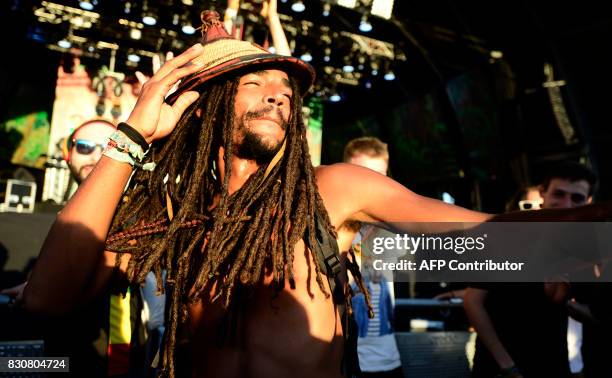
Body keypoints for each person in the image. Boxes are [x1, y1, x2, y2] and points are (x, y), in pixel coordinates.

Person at [21, 11, 612, 378]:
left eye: (285, 89)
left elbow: (481, 237)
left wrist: (595, 226)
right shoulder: (172, 213)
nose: (276, 95)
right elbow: (47, 300)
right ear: (201, 111)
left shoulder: (334, 190)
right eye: (253, 83)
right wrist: (131, 137)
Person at [464, 162, 597, 378]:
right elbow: (473, 300)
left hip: (551, 367)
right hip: (500, 369)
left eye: (577, 198)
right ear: (542, 193)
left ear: (589, 202)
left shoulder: (588, 248)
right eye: (559, 194)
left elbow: (595, 314)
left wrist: (564, 302)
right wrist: (507, 366)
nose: (566, 204)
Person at [338, 137, 404, 377]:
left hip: (389, 362)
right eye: (361, 176)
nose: (370, 187)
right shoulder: (330, 229)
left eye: (378, 178)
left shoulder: (392, 228)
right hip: (348, 363)